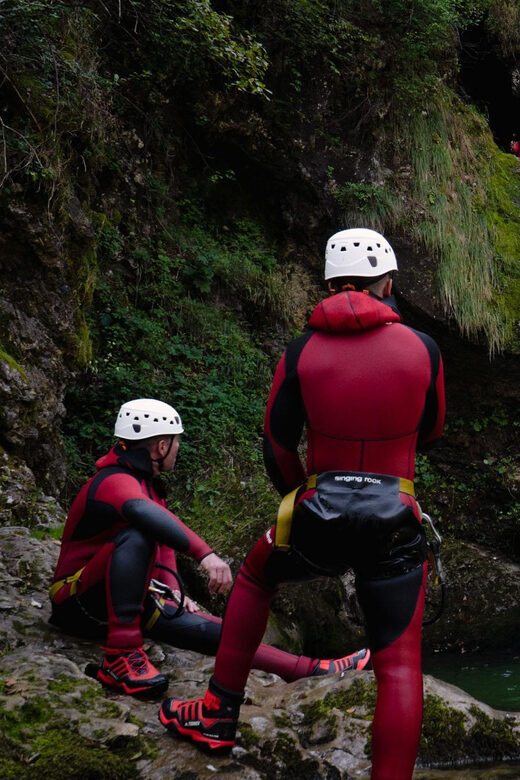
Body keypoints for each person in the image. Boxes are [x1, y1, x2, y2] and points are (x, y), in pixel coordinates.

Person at [159, 228, 445, 780]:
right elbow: (431, 432)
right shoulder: (424, 349)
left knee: (256, 575)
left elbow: (277, 441)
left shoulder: (301, 351)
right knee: (400, 666)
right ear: (387, 281)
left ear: (331, 283)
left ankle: (218, 712)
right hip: (394, 517)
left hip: (318, 510)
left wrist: (298, 496)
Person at [49, 398, 369, 699]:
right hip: (76, 604)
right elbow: (143, 519)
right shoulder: (113, 481)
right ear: (162, 446)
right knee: (137, 533)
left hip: (123, 600)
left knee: (220, 631)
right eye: (176, 441)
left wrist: (176, 593)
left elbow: (161, 551)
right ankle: (121, 655)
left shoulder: (147, 484)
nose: (178, 448)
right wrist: (206, 554)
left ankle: (313, 669)